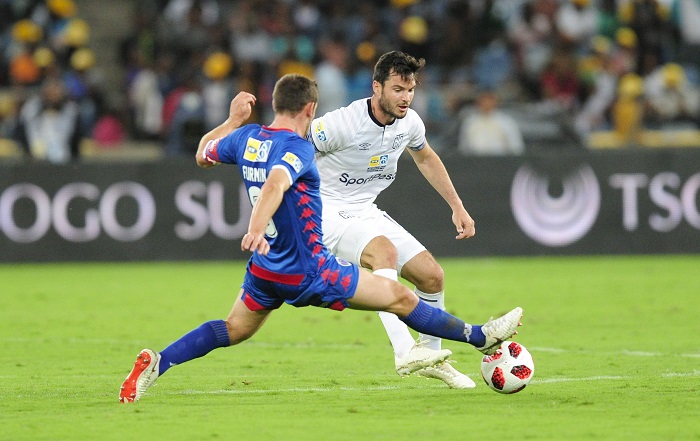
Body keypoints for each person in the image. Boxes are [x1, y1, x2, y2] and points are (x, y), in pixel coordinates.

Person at [118, 73, 523, 403]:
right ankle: (481, 337)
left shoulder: (247, 138)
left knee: (233, 329)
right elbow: (277, 182)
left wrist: (232, 121)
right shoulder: (297, 148)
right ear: (310, 109)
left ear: (276, 104)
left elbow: (203, 153)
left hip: (266, 268)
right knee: (400, 297)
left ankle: (158, 361)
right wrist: (255, 227)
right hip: (310, 269)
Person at [308, 51, 478, 389]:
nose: (406, 98)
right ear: (377, 87)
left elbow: (426, 157)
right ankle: (404, 351)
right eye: (398, 89)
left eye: (411, 89)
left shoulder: (410, 122)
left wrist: (457, 205)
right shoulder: (342, 123)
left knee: (432, 276)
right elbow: (293, 148)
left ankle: (433, 358)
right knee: (383, 253)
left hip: (364, 209)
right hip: (324, 210)